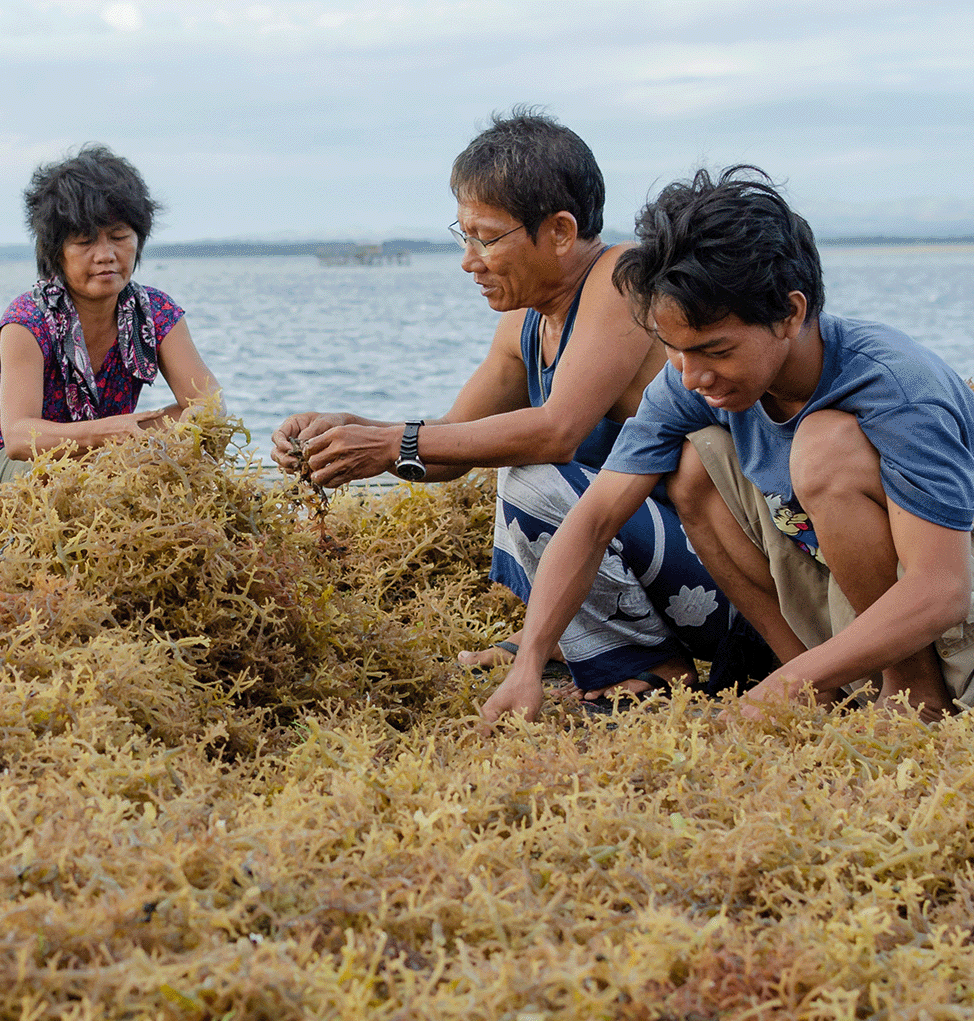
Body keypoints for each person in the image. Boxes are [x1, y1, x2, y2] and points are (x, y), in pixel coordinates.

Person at [483, 166, 974, 726]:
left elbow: (941, 591)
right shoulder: (693, 380)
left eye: (716, 351)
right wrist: (529, 661)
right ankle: (817, 685)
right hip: (864, 624)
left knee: (825, 447)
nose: (691, 375)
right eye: (673, 349)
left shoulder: (897, 386)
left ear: (791, 314)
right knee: (694, 467)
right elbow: (591, 523)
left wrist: (780, 691)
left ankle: (911, 697)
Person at [271, 110, 741, 703]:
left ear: (562, 232)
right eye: (463, 234)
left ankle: (652, 663)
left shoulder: (624, 281)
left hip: (730, 585)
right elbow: (449, 445)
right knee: (515, 463)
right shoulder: (526, 317)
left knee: (533, 476)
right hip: (663, 564)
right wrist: (352, 431)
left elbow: (556, 433)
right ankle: (574, 642)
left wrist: (392, 441)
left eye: (487, 238)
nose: (469, 260)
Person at [0, 145, 221, 493]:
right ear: (56, 252)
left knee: (159, 468)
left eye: (120, 237)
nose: (106, 255)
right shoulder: (27, 321)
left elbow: (209, 408)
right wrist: (112, 433)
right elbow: (18, 438)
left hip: (97, 463)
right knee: (67, 480)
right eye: (84, 241)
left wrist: (131, 433)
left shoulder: (154, 312)